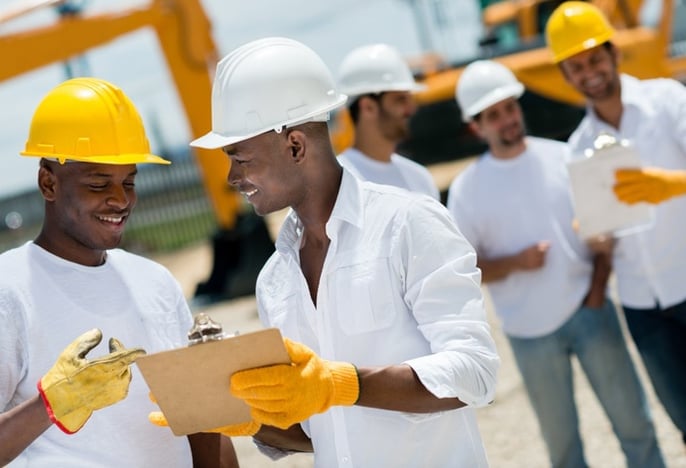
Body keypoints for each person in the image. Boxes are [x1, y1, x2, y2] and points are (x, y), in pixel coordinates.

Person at [155, 36, 500, 467]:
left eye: (239, 157)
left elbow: (476, 373)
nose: (230, 177)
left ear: (295, 145)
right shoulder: (275, 280)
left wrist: (343, 384)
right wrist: (241, 415)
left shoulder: (407, 225)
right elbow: (323, 431)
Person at [0, 77, 238, 467]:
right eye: (99, 183)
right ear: (48, 182)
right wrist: (51, 405)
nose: (120, 199)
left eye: (129, 181)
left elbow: (201, 425)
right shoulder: (9, 290)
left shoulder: (155, 283)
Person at [446, 59, 665, 468]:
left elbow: (606, 231)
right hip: (528, 333)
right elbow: (463, 269)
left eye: (510, 107)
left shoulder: (565, 159)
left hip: (591, 312)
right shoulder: (465, 191)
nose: (507, 119)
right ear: (477, 126)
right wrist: (515, 262)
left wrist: (597, 292)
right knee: (563, 451)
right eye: (493, 115)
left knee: (636, 428)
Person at [546, 1, 686, 446]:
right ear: (566, 76)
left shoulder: (668, 100)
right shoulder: (576, 150)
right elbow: (600, 241)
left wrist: (675, 184)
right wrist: (592, 234)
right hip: (644, 309)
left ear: (614, 54)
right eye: (576, 66)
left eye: (594, 59)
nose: (589, 72)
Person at [336, 43, 440, 200]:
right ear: (368, 107)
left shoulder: (420, 179)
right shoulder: (337, 182)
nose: (411, 109)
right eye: (400, 100)